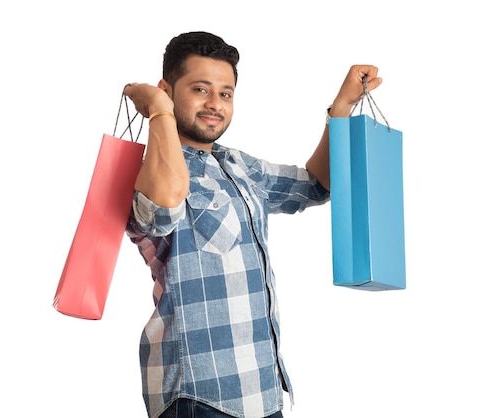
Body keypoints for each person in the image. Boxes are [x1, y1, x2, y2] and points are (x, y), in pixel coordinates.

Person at [123, 31, 382, 418]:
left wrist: (341, 107)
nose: (214, 104)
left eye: (225, 94)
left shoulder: (240, 167)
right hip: (199, 395)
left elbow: (316, 185)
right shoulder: (149, 172)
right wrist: (159, 110)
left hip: (261, 390)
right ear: (167, 89)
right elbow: (161, 210)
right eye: (200, 89)